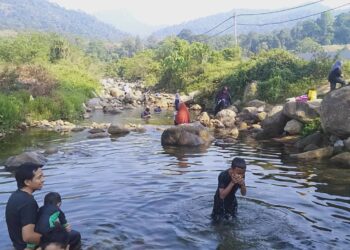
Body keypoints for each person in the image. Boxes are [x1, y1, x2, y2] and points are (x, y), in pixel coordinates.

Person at [6, 162, 44, 250]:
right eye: (39, 177)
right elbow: (28, 237)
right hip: (27, 247)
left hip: (18, 245)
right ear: (27, 182)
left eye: (43, 176)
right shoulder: (28, 202)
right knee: (72, 237)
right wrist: (53, 238)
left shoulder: (15, 195)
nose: (43, 179)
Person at [211, 157, 247, 222]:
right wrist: (232, 182)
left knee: (233, 221)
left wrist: (242, 185)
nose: (240, 175)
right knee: (217, 221)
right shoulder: (223, 175)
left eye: (243, 173)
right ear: (232, 169)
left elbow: (243, 194)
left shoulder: (241, 174)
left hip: (232, 201)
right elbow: (221, 196)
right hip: (220, 202)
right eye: (238, 173)